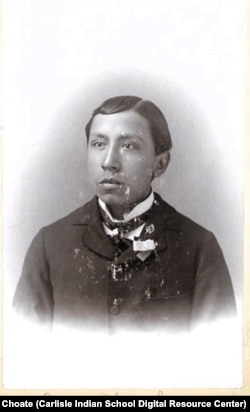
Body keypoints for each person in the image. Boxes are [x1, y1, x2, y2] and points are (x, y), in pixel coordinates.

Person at [13, 95, 236, 334]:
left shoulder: (199, 248)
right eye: (99, 144)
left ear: (160, 164)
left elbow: (217, 353)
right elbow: (25, 350)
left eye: (128, 145)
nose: (109, 162)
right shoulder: (50, 244)